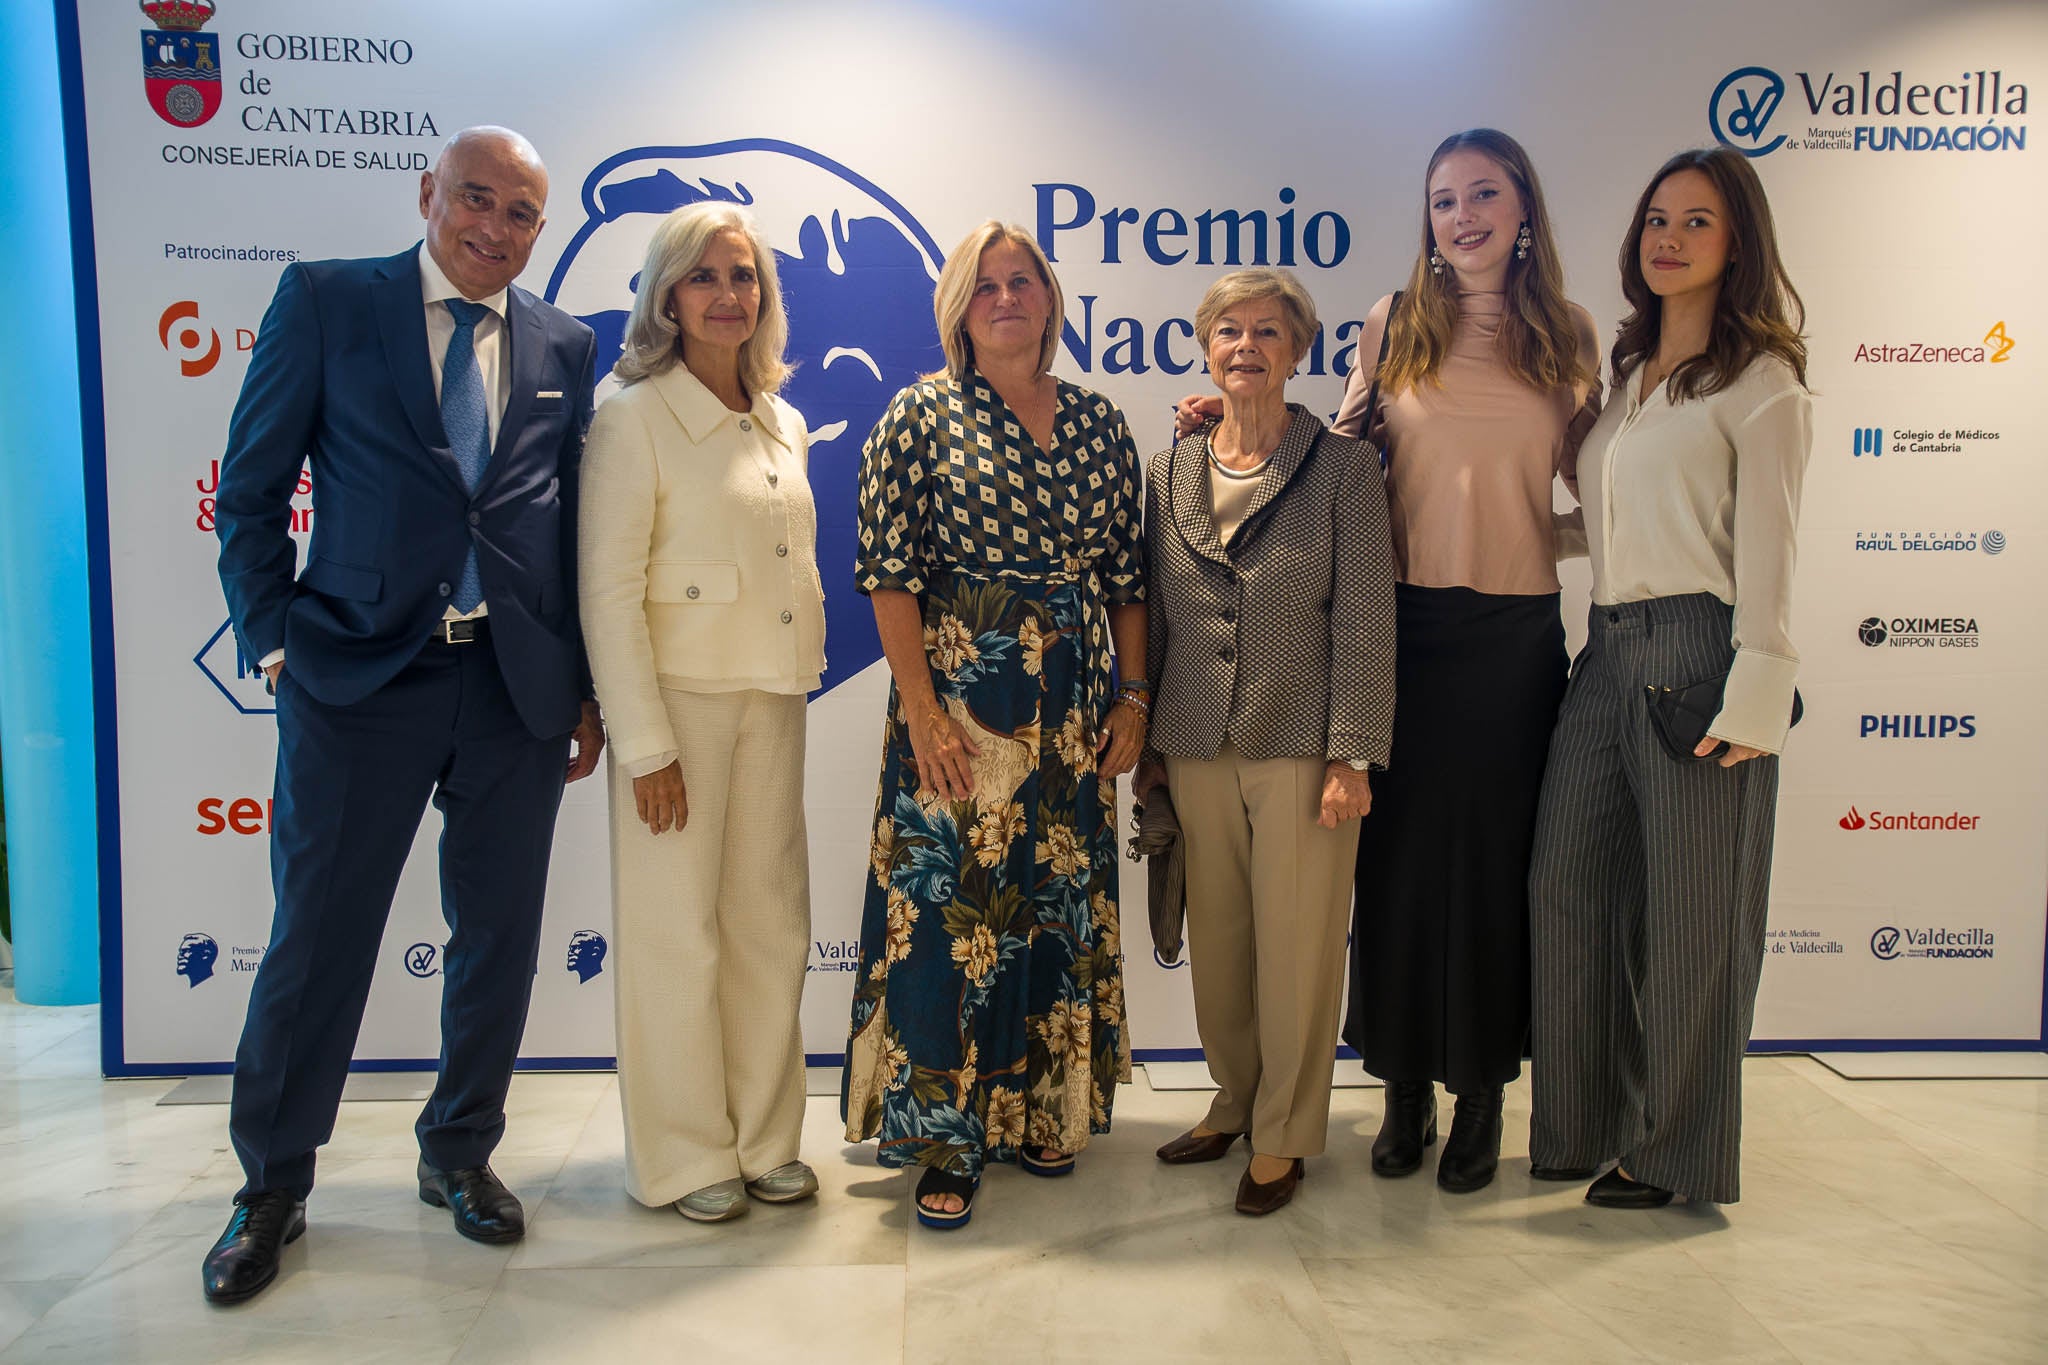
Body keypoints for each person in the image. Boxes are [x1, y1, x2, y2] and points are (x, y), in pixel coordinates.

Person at [203, 127, 604, 1304]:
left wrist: (576, 682)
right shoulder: (328, 302)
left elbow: (563, 521)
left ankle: (459, 1152)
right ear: (427, 192)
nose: (493, 226)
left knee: (496, 941)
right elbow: (250, 490)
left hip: (512, 687)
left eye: (520, 212)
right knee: (317, 938)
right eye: (474, 198)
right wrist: (274, 641)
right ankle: (271, 1183)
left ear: (540, 228)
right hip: (357, 680)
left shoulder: (563, 342)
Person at [1179, 129, 1601, 1192]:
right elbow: (1342, 459)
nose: (1461, 216)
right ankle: (1404, 1090)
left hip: (1510, 643)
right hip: (1399, 631)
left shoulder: (1566, 334)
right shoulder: (1392, 322)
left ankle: (1481, 1096)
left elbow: (1606, 489)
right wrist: (1226, 413)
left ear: (1522, 209)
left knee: (1494, 876)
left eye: (1483, 195)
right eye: (1443, 199)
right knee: (1398, 875)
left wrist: (1517, 533)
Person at [840, 222, 1147, 1230]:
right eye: (985, 287)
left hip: (1070, 714)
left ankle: (1036, 1109)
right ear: (957, 311)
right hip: (962, 703)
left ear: (1051, 300)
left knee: (1053, 907)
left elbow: (1125, 583)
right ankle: (947, 1134)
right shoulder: (917, 415)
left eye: (1022, 282)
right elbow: (887, 575)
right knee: (950, 919)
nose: (1006, 298)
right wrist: (923, 713)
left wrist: (1132, 695)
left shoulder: (1102, 425)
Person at [1527, 146, 1811, 1209]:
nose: (1667, 237)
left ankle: (1675, 1151)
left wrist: (1758, 695)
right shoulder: (1629, 381)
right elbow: (1609, 529)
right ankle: (1581, 1124)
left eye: (1696, 221)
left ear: (1737, 242)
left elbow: (1774, 551)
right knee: (1563, 888)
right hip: (1603, 651)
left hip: (1703, 652)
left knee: (1696, 918)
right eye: (1655, 217)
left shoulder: (1762, 384)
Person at [578, 203, 825, 1223]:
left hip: (771, 696)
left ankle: (765, 1137)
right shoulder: (630, 416)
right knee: (676, 934)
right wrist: (642, 744)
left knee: (769, 927)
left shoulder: (780, 418)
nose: (728, 295)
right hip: (676, 708)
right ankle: (684, 1157)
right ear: (666, 297)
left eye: (744, 276)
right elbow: (607, 590)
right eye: (704, 277)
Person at [1148, 268, 1396, 1216]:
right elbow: (1165, 616)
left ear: (1298, 352)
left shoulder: (1343, 469)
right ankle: (1235, 1097)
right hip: (1196, 742)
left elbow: (1367, 623)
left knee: (1297, 952)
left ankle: (1286, 1134)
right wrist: (1158, 749)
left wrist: (1353, 755)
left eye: (1267, 332)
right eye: (1228, 332)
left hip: (1303, 747)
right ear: (1205, 347)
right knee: (1221, 943)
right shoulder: (1168, 467)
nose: (1245, 347)